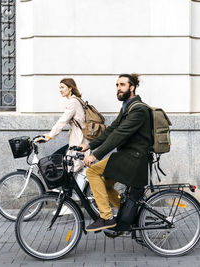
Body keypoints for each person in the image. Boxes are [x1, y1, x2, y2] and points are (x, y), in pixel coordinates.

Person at [80, 73, 152, 232]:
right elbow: (112, 129)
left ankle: (106, 217)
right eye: (117, 85)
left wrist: (95, 155)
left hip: (134, 157)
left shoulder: (138, 109)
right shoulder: (128, 106)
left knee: (92, 172)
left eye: (122, 85)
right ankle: (129, 215)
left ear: (131, 87)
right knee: (104, 185)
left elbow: (119, 135)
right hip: (127, 156)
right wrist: (90, 145)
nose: (118, 88)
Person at [35, 78, 89, 172]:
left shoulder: (73, 102)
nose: (60, 90)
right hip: (78, 138)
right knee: (65, 164)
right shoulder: (76, 100)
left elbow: (62, 121)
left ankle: (70, 186)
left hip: (79, 139)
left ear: (70, 88)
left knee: (68, 167)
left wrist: (48, 136)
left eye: (62, 87)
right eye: (59, 87)